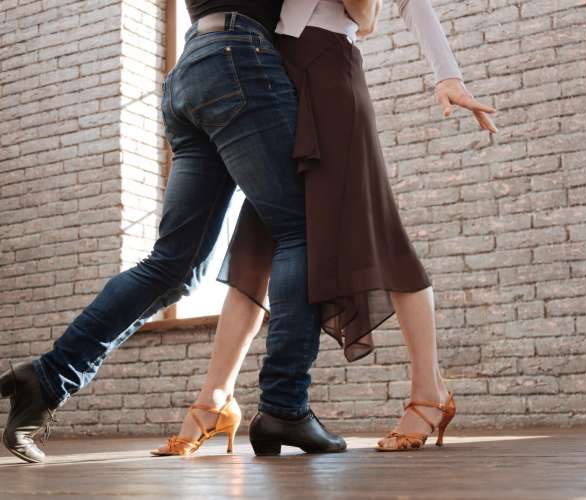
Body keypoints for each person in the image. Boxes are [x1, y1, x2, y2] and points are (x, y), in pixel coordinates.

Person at [0, 2, 348, 463]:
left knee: (174, 265)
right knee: (303, 230)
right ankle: (286, 406)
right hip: (240, 58)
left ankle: (47, 377)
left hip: (191, 67)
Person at [152, 0, 497, 456]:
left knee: (384, 238)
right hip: (270, 76)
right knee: (255, 244)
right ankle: (213, 401)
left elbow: (397, 7)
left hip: (328, 75)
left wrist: (447, 75)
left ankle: (429, 393)